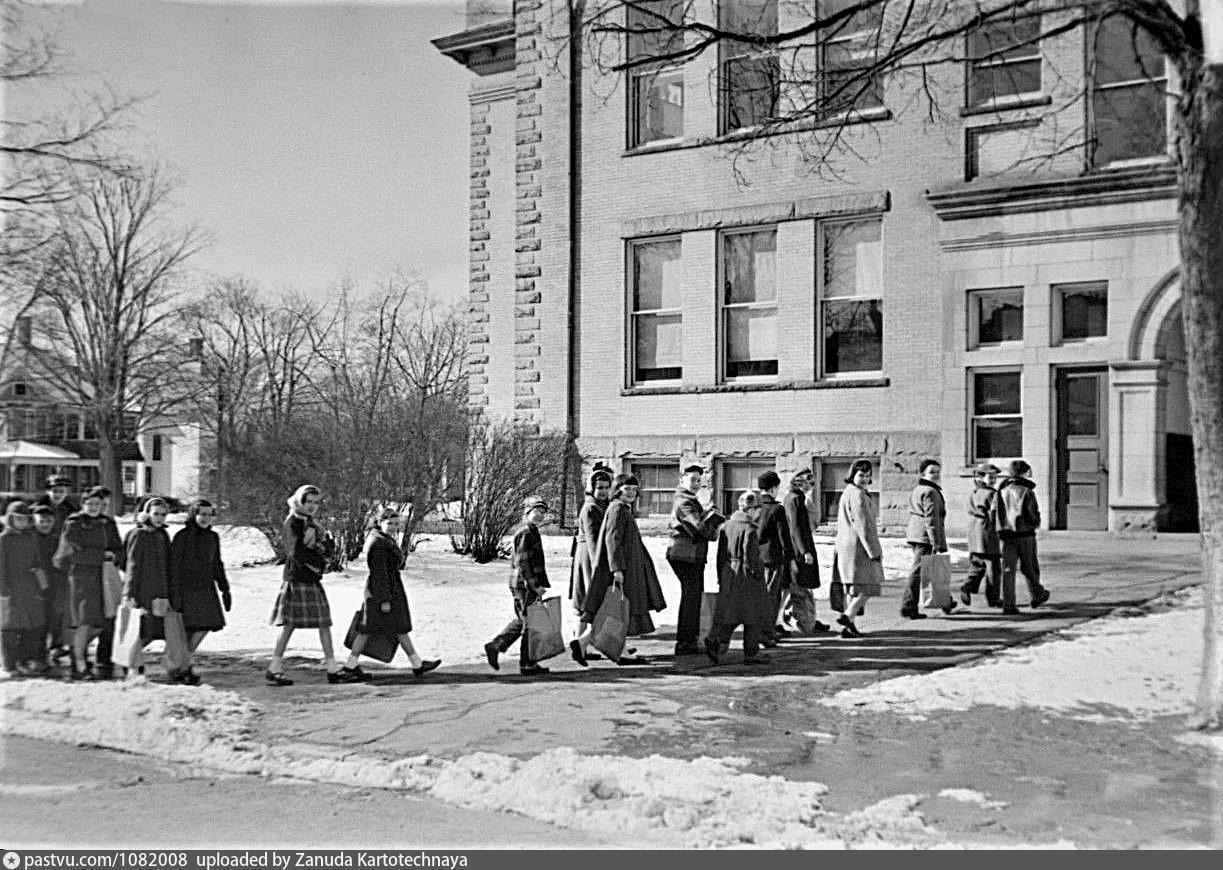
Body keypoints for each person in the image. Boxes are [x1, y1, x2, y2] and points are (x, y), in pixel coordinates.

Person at [267, 485, 356, 686]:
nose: (312, 506)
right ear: (300, 501)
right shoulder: (292, 522)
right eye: (309, 502)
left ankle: (332, 669)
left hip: (311, 578)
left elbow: (318, 547)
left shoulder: (311, 523)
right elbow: (295, 552)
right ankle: (274, 667)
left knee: (324, 622)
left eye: (316, 502)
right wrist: (318, 561)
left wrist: (327, 550)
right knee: (290, 625)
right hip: (297, 578)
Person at [342, 508, 440, 680]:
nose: (394, 527)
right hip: (381, 592)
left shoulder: (384, 540)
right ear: (380, 523)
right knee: (369, 629)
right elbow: (379, 573)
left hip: (388, 589)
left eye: (396, 523)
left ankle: (416, 664)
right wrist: (384, 600)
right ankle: (350, 666)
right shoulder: (378, 543)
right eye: (390, 523)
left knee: (394, 627)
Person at [582, 474, 666, 664]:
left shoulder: (619, 507)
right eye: (627, 489)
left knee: (617, 610)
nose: (631, 493)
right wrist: (617, 569)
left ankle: (588, 644)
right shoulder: (618, 508)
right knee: (621, 610)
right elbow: (612, 539)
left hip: (627, 565)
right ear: (618, 489)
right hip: (623, 568)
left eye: (634, 490)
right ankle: (620, 651)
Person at [55, 486, 124, 680]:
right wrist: (102, 555)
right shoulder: (74, 523)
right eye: (90, 503)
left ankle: (77, 651)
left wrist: (115, 556)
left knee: (102, 621)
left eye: (98, 504)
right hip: (81, 577)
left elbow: (118, 548)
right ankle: (80, 664)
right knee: (84, 621)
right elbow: (72, 553)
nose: (94, 507)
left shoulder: (107, 523)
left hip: (104, 577)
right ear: (83, 504)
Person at [122, 497, 193, 683]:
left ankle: (171, 665)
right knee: (143, 630)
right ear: (147, 514)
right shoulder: (139, 534)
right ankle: (132, 666)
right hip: (143, 591)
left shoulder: (162, 535)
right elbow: (132, 565)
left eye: (163, 514)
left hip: (160, 592)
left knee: (156, 630)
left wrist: (170, 592)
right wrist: (129, 593)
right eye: (156, 514)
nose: (160, 518)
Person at [485, 496, 553, 676]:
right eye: (537, 511)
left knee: (523, 619)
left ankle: (495, 646)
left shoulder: (531, 530)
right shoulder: (525, 532)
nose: (540, 515)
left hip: (524, 583)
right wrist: (534, 585)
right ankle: (527, 663)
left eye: (543, 512)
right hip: (524, 584)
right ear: (527, 512)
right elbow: (523, 563)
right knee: (531, 623)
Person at [705, 490, 771, 666]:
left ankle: (717, 641)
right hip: (747, 576)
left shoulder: (726, 526)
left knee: (731, 613)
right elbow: (751, 555)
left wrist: (721, 576)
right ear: (752, 509)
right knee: (754, 615)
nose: (759, 513)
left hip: (729, 572)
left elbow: (720, 555)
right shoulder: (750, 529)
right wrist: (758, 572)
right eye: (758, 509)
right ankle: (751, 652)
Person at [169, 499, 231, 679]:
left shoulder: (213, 537)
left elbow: (217, 563)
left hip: (206, 588)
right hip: (186, 588)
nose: (206, 518)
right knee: (189, 629)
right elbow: (174, 566)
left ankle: (182, 664)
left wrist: (224, 588)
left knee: (206, 625)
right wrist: (175, 593)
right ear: (193, 514)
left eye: (209, 515)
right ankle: (183, 667)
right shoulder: (182, 536)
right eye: (202, 514)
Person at [665, 464, 720, 657]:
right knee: (691, 598)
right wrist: (713, 526)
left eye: (699, 481)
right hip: (686, 555)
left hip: (689, 554)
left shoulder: (688, 500)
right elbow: (699, 528)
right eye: (692, 480)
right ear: (682, 479)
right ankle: (685, 642)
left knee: (692, 597)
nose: (696, 484)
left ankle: (689, 640)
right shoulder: (684, 502)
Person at [568, 464, 612, 666]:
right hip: (590, 558)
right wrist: (599, 567)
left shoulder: (601, 505)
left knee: (587, 602)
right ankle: (581, 644)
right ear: (592, 488)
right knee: (591, 600)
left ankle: (581, 646)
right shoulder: (591, 508)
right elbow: (594, 540)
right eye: (599, 487)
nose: (603, 491)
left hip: (589, 556)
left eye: (606, 487)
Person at [834, 459, 884, 638]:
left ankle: (849, 627)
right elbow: (864, 526)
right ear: (853, 474)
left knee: (852, 588)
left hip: (846, 546)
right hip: (859, 547)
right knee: (869, 586)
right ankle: (848, 616)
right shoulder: (858, 495)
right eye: (861, 475)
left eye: (868, 475)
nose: (865, 479)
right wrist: (874, 552)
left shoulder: (848, 492)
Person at [1, 502, 48, 678]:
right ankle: (9, 665)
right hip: (10, 587)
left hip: (30, 586)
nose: (21, 522)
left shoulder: (30, 537)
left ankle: (25, 660)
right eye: (17, 519)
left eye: (24, 519)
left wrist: (43, 585)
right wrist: (3, 591)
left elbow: (38, 563)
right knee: (9, 627)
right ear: (10, 519)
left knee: (34, 624)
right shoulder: (4, 539)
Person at [997, 460, 1050, 614]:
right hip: (1025, 535)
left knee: (1008, 570)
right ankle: (1036, 594)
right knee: (1030, 567)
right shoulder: (1027, 491)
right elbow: (1031, 513)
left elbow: (996, 513)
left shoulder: (1001, 490)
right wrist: (1035, 523)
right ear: (1023, 473)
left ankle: (1009, 604)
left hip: (1007, 535)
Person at [902, 459, 952, 619]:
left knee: (929, 568)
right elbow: (931, 518)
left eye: (938, 472)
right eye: (932, 472)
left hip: (916, 533)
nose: (936, 475)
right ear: (923, 473)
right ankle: (908, 606)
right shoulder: (930, 491)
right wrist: (935, 542)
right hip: (925, 536)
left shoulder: (919, 489)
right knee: (918, 571)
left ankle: (946, 601)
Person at [783, 469, 829, 633]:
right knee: (802, 586)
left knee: (798, 586)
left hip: (798, 547)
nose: (810, 485)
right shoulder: (795, 499)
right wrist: (805, 551)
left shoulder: (794, 498)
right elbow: (796, 528)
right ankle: (805, 620)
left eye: (812, 482)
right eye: (808, 481)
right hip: (799, 549)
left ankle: (804, 618)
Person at [755, 470, 792, 645]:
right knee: (772, 595)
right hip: (772, 557)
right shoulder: (777, 509)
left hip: (755, 557)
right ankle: (766, 631)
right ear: (773, 488)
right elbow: (784, 536)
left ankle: (760, 630)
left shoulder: (754, 506)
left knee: (758, 595)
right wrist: (790, 558)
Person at [960, 463, 1003, 609]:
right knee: (994, 567)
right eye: (990, 477)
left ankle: (967, 586)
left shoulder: (974, 492)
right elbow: (995, 515)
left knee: (977, 564)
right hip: (988, 532)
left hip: (974, 531)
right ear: (982, 478)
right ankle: (993, 598)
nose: (993, 480)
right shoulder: (993, 494)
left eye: (995, 477)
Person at [32, 505, 69, 667]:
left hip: (57, 580)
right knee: (40, 618)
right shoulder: (31, 539)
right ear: (35, 522)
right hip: (38, 581)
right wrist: (42, 584)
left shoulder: (57, 538)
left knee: (57, 615)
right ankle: (39, 651)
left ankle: (55, 645)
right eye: (41, 521)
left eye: (48, 521)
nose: (45, 525)